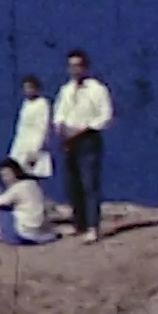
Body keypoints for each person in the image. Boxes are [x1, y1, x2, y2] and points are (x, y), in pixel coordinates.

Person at [52, 48, 114, 243]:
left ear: (85, 67)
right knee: (72, 183)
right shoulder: (66, 89)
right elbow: (59, 112)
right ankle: (79, 223)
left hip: (88, 139)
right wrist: (60, 127)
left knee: (89, 183)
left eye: (78, 66)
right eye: (71, 66)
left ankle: (93, 226)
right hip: (69, 141)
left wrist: (84, 129)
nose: (74, 70)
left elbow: (106, 116)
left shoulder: (97, 89)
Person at [0, 157, 58, 245]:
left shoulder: (17, 188)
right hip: (40, 231)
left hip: (22, 233)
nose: (5, 178)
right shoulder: (33, 183)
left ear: (15, 172)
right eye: (2, 175)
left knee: (0, 208)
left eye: (7, 174)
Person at [8, 74, 53, 180]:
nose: (28, 90)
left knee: (32, 177)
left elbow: (43, 127)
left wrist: (35, 150)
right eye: (25, 88)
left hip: (34, 146)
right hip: (21, 144)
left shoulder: (42, 104)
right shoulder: (26, 103)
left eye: (30, 87)